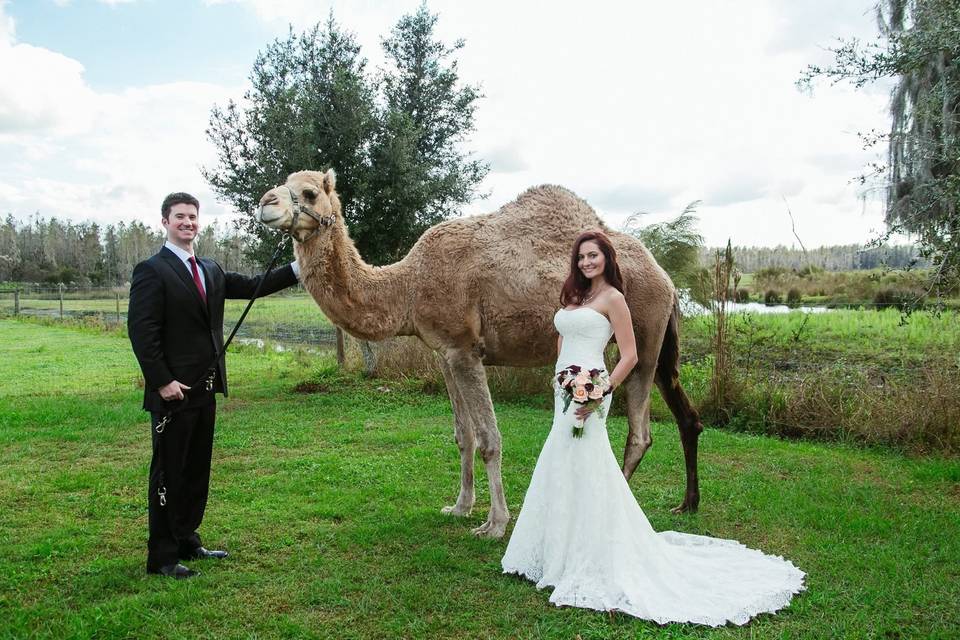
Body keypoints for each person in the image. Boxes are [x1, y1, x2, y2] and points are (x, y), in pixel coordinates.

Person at [501, 230, 805, 626]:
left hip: (593, 385)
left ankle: (593, 549)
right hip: (567, 386)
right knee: (561, 457)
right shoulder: (576, 298)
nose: (586, 263)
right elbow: (564, 339)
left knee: (585, 458)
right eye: (581, 258)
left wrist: (600, 389)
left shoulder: (614, 299)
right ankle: (554, 545)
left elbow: (629, 355)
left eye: (593, 256)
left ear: (607, 259)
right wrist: (561, 375)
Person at [128, 192, 300, 579]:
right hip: (173, 392)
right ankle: (162, 556)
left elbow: (256, 284)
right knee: (169, 472)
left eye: (192, 217)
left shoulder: (209, 268)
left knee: (195, 471)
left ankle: (188, 538)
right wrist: (162, 382)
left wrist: (298, 267)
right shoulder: (151, 271)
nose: (188, 223)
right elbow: (142, 333)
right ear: (165, 222)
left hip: (205, 388)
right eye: (180, 217)